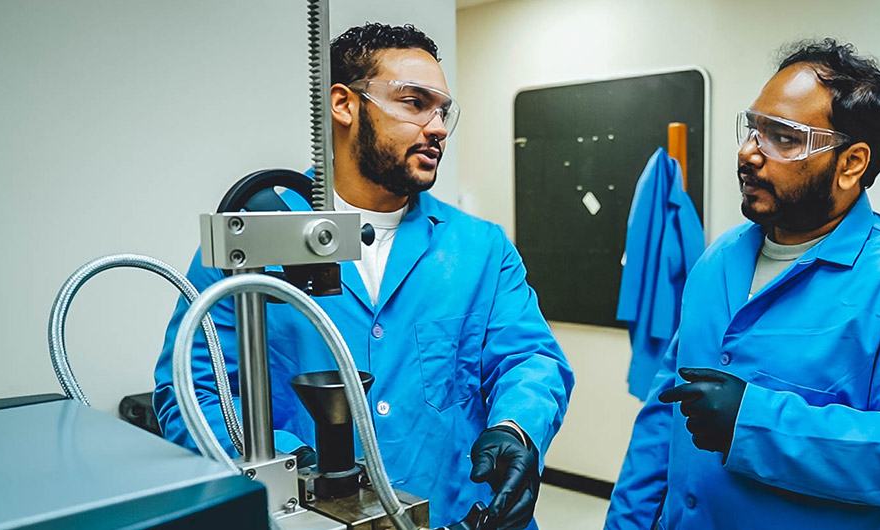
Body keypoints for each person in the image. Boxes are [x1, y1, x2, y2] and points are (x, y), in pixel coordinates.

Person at [153, 23, 573, 530]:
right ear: (344, 104)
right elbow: (190, 394)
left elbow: (532, 360)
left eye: (442, 110)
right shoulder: (254, 242)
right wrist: (295, 467)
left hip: (461, 516)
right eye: (414, 103)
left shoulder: (479, 248)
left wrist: (516, 428)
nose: (436, 126)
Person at [605, 38, 880, 529]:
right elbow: (665, 415)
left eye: (783, 138)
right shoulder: (718, 261)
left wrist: (756, 421)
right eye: (753, 129)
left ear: (851, 164)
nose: (749, 153)